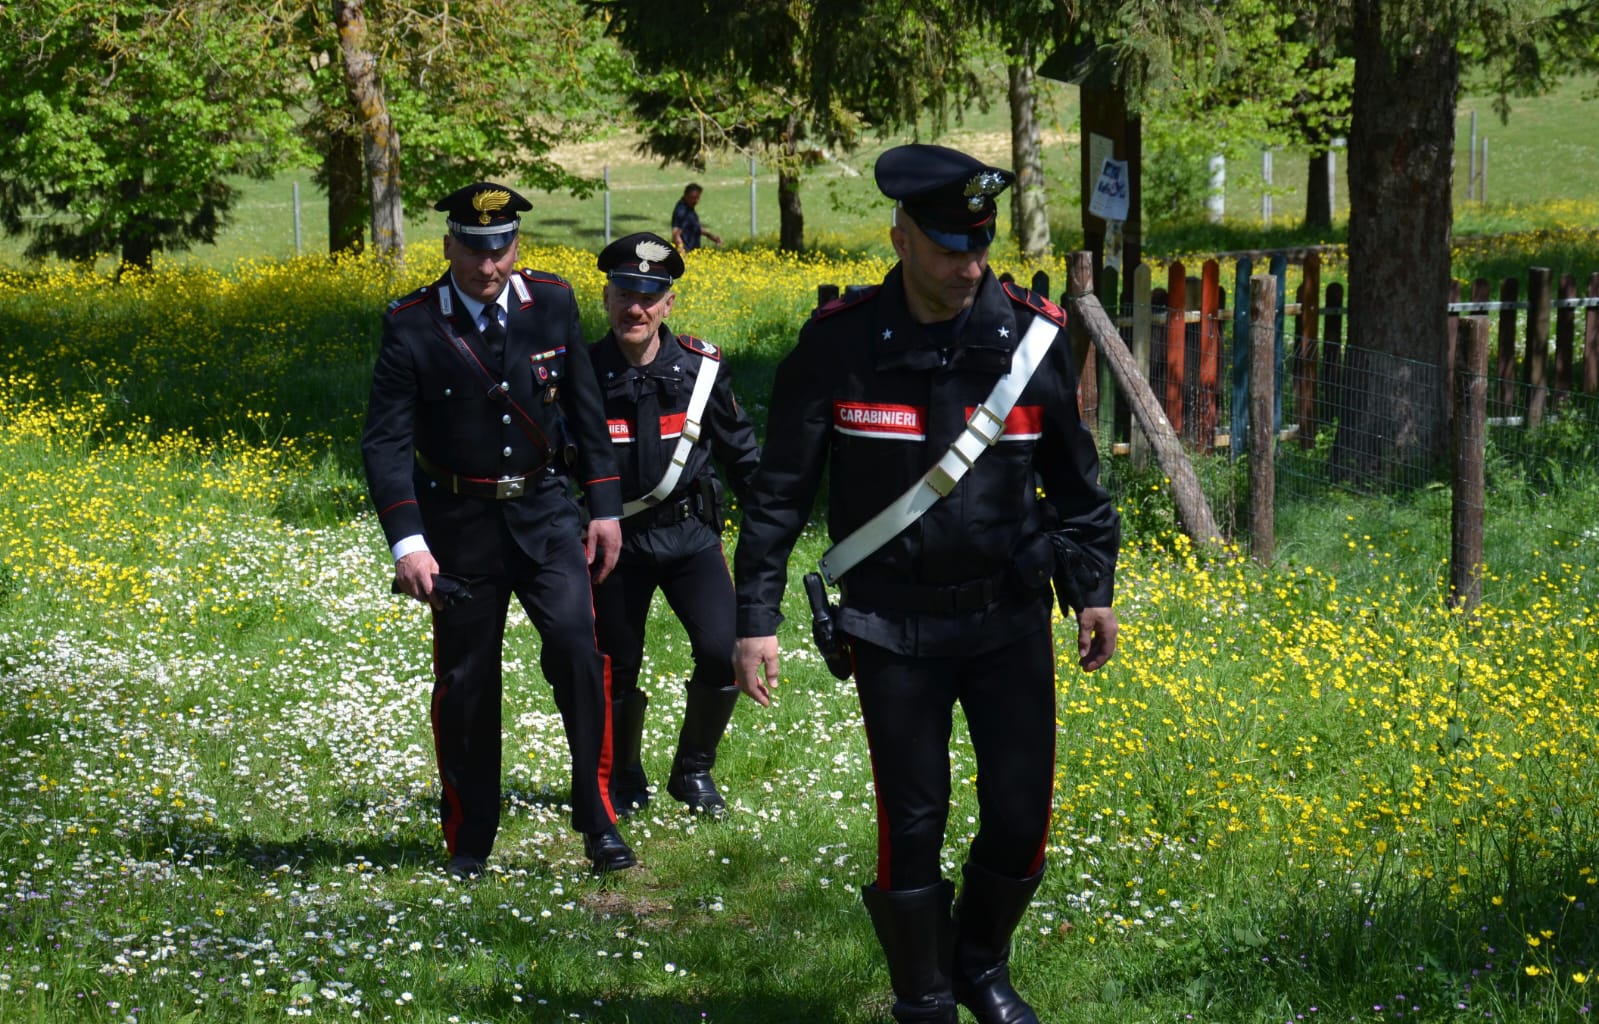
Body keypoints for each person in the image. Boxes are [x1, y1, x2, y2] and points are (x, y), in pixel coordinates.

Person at [731, 144, 1121, 1024]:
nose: (968, 266)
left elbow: (1077, 484)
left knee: (1019, 813)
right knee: (913, 819)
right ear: (900, 237)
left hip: (1007, 620)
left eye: (979, 245)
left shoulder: (1031, 340)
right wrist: (755, 618)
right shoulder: (838, 347)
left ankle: (978, 966)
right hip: (889, 626)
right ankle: (923, 997)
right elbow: (778, 494)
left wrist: (1093, 588)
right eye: (948, 247)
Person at [362, 181, 638, 878]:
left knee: (579, 653)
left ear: (517, 245)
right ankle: (469, 839)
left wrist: (604, 507)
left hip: (545, 516)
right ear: (448, 247)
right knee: (467, 682)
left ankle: (598, 818)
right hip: (458, 526)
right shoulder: (412, 323)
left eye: (501, 249)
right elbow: (386, 443)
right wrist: (408, 543)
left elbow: (585, 409)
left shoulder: (552, 302)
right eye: (475, 251)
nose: (489, 266)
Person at [587, 231, 761, 816]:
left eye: (649, 296)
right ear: (606, 297)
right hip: (616, 544)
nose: (635, 308)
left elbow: (742, 454)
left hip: (690, 537)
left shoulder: (701, 369)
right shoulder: (580, 373)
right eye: (624, 294)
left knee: (721, 649)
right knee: (616, 663)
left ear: (668, 303)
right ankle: (623, 773)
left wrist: (772, 524)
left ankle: (693, 772)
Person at [670, 183, 721, 252]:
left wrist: (711, 236)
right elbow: (676, 234)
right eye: (693, 198)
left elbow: (695, 226)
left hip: (693, 252)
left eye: (698, 198)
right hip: (687, 252)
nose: (696, 201)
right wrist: (681, 251)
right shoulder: (681, 211)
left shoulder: (689, 207)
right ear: (686, 195)